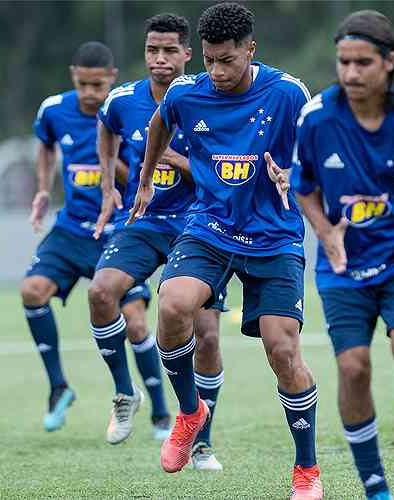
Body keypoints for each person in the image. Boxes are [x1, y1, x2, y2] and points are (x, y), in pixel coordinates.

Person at [128, 3, 322, 498]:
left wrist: (296, 175)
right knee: (172, 305)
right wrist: (146, 180)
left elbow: (320, 142)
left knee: (282, 350)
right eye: (210, 60)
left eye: (227, 60)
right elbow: (158, 127)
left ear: (251, 51)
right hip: (210, 226)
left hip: (274, 236)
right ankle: (192, 411)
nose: (216, 71)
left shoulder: (286, 92)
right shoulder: (186, 92)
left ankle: (306, 470)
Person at [292, 10, 394, 500]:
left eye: (362, 62)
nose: (350, 73)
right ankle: (375, 488)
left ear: (389, 62)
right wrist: (324, 231)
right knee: (353, 368)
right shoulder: (317, 118)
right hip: (343, 267)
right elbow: (303, 185)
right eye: (343, 62)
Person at [89, 14, 227, 464]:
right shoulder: (123, 100)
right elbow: (106, 129)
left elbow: (222, 171)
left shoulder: (210, 99)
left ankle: (201, 439)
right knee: (101, 292)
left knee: (206, 335)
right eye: (153, 50)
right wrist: (110, 185)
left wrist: (169, 155)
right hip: (144, 220)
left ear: (188, 54)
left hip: (200, 224)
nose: (160, 59)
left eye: (170, 51)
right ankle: (125, 394)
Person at [21, 41, 156, 435]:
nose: (90, 94)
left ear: (111, 79)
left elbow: (144, 172)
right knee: (32, 291)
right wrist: (44, 188)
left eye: (97, 85)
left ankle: (161, 412)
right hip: (70, 230)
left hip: (116, 232)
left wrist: (110, 168)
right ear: (73, 78)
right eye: (83, 85)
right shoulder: (53, 110)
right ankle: (59, 387)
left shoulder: (125, 111)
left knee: (135, 322)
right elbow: (45, 146)